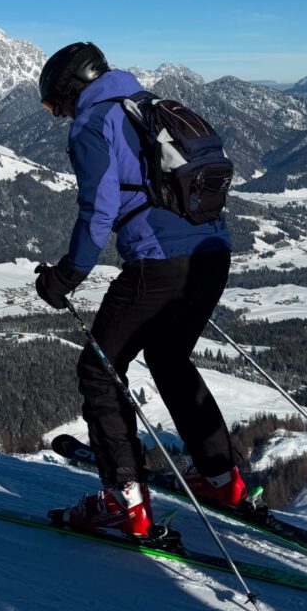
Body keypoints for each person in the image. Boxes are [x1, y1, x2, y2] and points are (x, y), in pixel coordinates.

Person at [35, 41, 247, 538]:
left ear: (71, 89)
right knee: (170, 358)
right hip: (211, 256)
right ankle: (221, 479)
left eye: (55, 104)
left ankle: (123, 504)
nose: (59, 114)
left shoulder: (94, 123)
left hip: (159, 263)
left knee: (99, 369)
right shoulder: (150, 107)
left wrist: (66, 276)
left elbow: (97, 211)